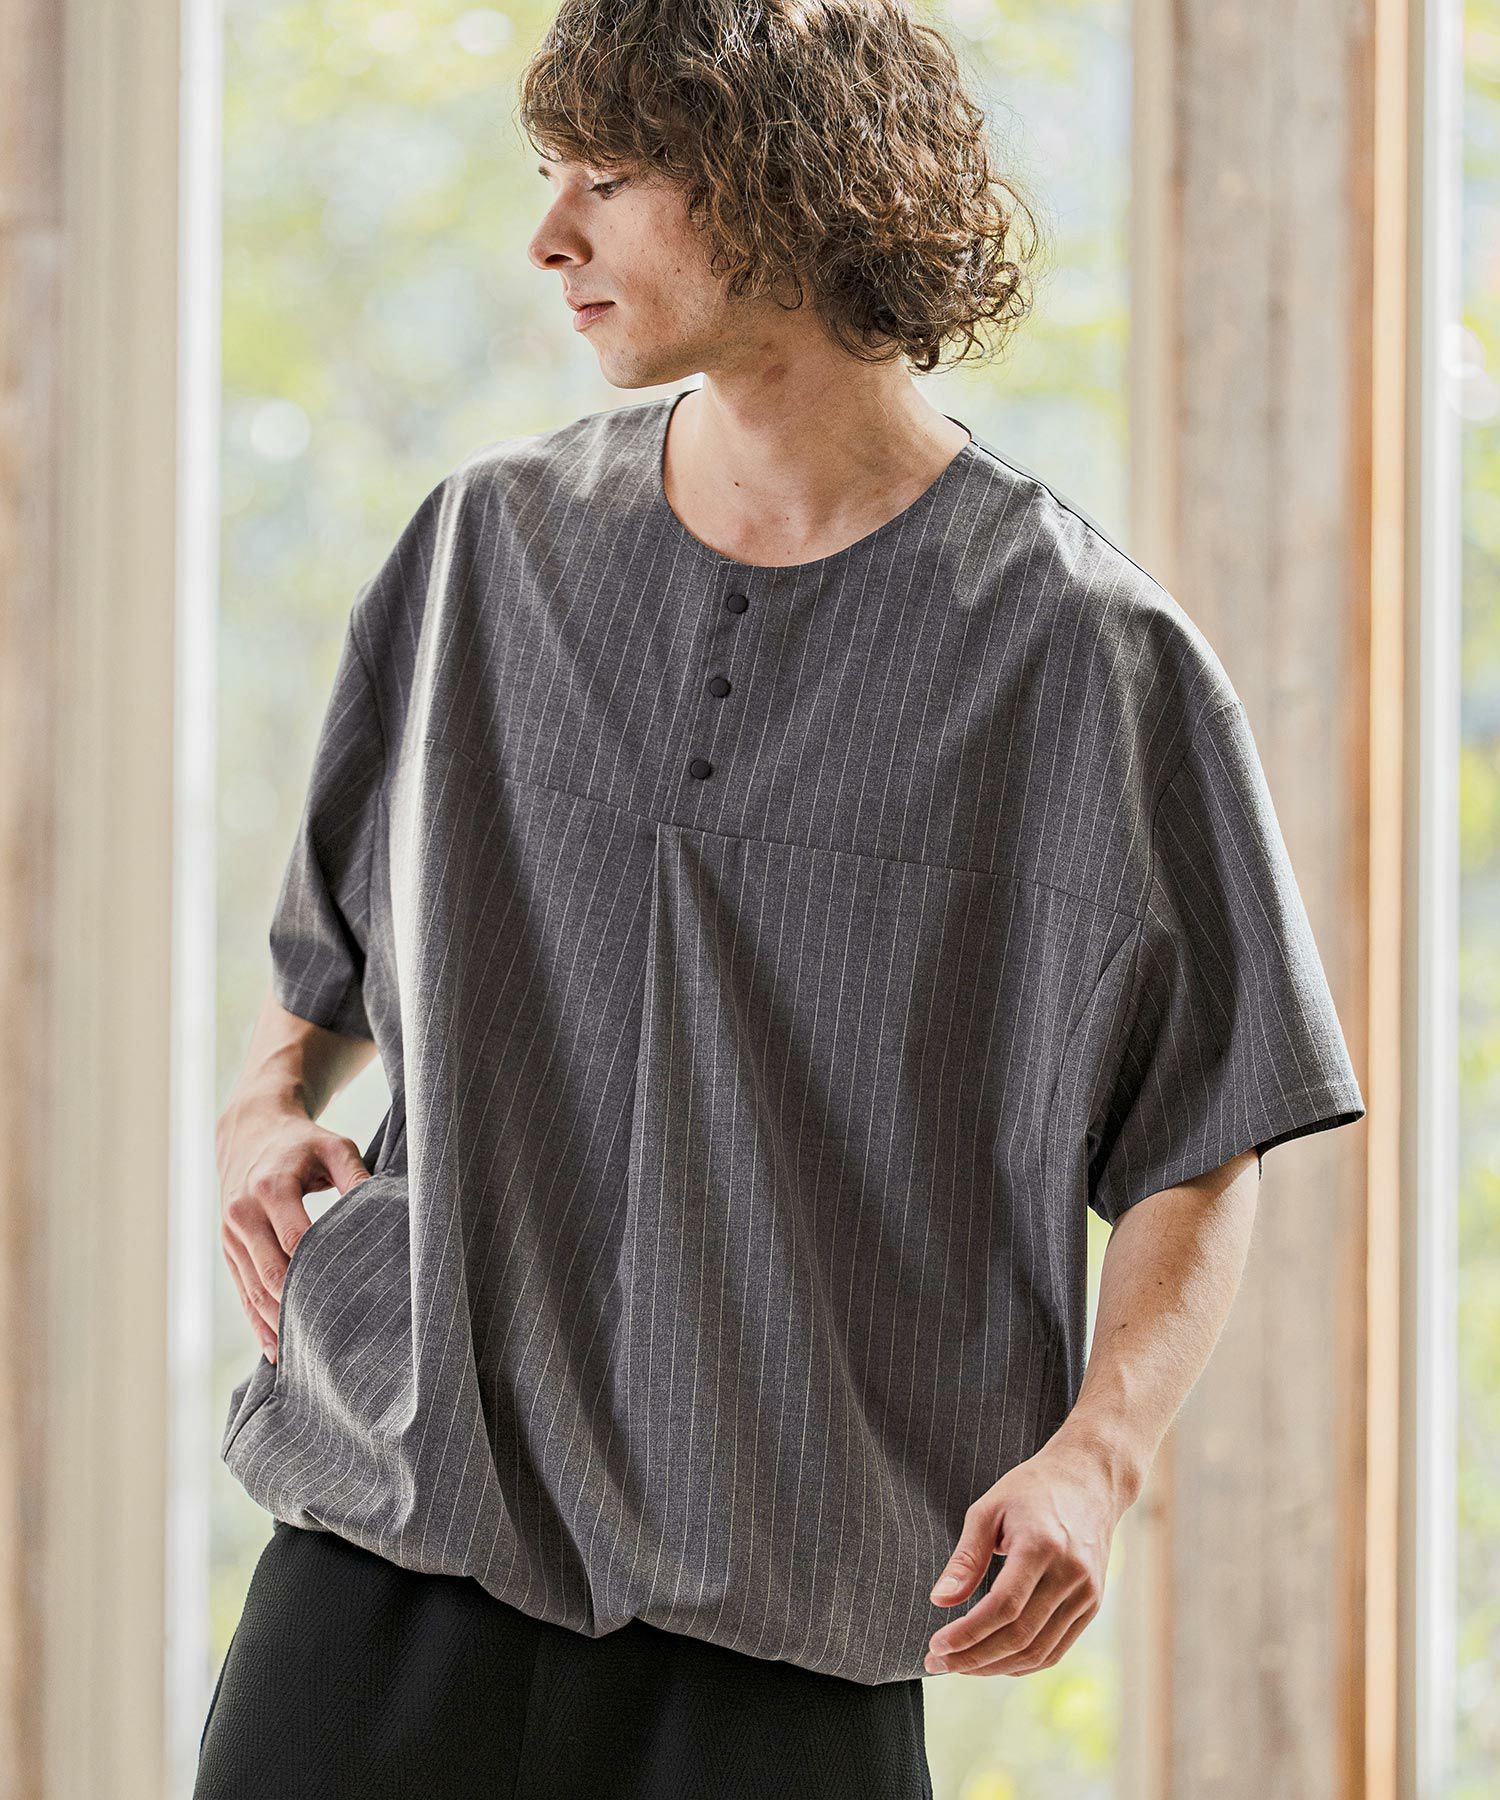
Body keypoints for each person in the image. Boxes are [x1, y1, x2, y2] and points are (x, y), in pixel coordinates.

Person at [195, 1, 1366, 1795]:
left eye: (609, 179)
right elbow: (329, 952)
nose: (549, 237)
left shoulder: (1083, 659)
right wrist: (266, 1105)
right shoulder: (486, 548)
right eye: (548, 177)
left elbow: (1205, 1131)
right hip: (386, 1550)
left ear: (784, 183)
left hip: (788, 1629)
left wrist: (1098, 1456)